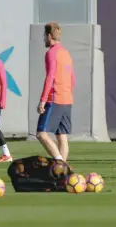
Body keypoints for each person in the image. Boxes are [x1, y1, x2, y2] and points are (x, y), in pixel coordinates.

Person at [36, 22, 75, 162]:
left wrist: (43, 100)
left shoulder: (51, 53)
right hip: (67, 99)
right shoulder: (66, 53)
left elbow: (50, 77)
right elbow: (73, 78)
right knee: (61, 135)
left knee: (41, 134)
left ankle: (59, 163)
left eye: (44, 36)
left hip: (55, 98)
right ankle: (63, 173)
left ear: (48, 36)